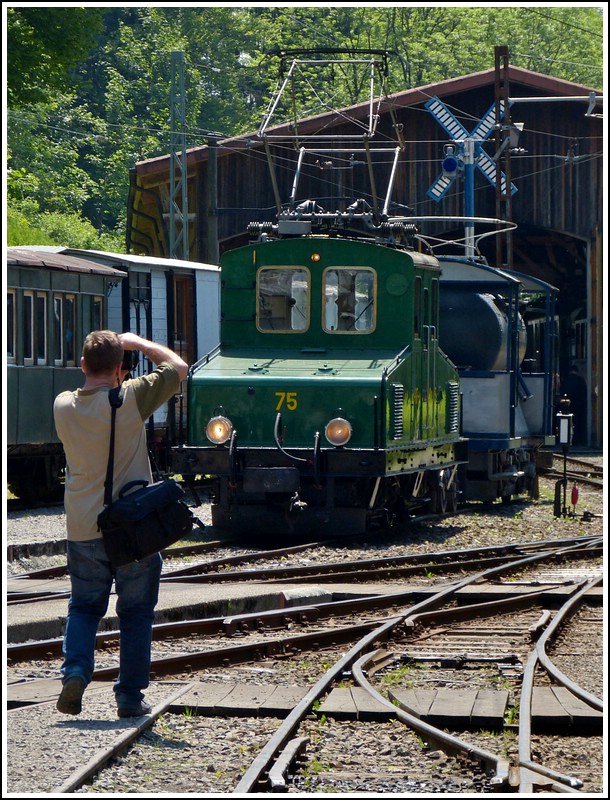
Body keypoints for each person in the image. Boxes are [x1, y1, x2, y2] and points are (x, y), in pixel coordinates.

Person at [53, 330, 188, 717]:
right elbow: (178, 367)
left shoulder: (63, 405)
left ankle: (75, 671)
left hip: (82, 527)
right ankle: (129, 697)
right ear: (119, 370)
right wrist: (140, 344)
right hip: (134, 531)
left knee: (83, 608)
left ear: (82, 365)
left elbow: (88, 391)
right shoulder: (131, 397)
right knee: (136, 613)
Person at [560, 365, 588, 446]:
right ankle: (578, 440)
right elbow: (584, 393)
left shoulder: (566, 380)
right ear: (577, 371)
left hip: (568, 405)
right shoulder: (581, 380)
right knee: (578, 422)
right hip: (579, 405)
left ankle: (567, 440)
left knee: (567, 422)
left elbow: (562, 392)